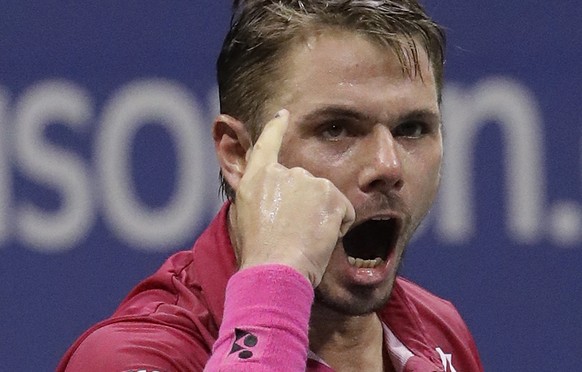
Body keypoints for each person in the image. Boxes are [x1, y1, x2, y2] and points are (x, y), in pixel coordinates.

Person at [58, 0, 483, 371]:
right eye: (336, 129)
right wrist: (276, 283)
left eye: (411, 128)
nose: (388, 166)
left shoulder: (439, 331)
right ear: (238, 154)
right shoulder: (129, 356)